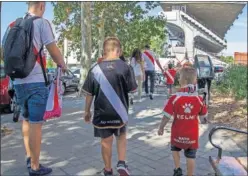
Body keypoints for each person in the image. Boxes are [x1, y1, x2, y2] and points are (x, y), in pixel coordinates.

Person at [2, 2, 67, 176]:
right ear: (41, 5)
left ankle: (30, 158)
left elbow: (4, 51)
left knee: (26, 119)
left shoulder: (12, 25)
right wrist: (62, 64)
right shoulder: (41, 23)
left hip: (18, 82)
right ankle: (36, 166)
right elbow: (52, 49)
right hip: (36, 81)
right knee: (36, 124)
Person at [82, 37, 137, 176]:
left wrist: (87, 111)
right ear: (119, 50)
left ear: (104, 51)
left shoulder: (94, 69)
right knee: (121, 136)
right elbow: (132, 89)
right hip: (120, 112)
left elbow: (89, 94)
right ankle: (121, 163)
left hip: (101, 113)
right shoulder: (126, 67)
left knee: (106, 142)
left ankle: (107, 169)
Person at [157, 67, 208, 176]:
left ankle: (177, 169)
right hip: (192, 135)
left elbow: (166, 116)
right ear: (195, 81)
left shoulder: (174, 98)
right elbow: (203, 116)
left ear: (182, 81)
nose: (178, 80)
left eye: (179, 78)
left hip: (177, 133)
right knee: (191, 156)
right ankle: (190, 174)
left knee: (174, 149)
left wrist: (161, 127)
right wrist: (204, 120)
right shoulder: (198, 99)